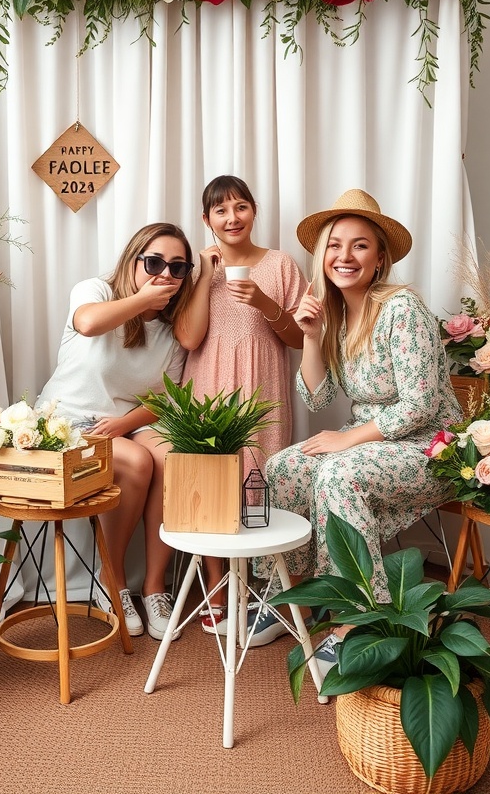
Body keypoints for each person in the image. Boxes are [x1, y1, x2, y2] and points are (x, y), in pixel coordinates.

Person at [253, 188, 461, 656]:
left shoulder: (401, 309)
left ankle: (358, 620)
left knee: (338, 472)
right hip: (373, 444)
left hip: (432, 447)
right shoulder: (337, 315)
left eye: (360, 245)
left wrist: (348, 438)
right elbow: (317, 395)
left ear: (380, 259)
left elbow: (421, 406)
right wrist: (310, 337)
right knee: (283, 468)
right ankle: (293, 600)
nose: (344, 256)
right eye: (335, 244)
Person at [35, 223, 194, 641]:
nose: (165, 275)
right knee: (137, 461)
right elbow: (88, 325)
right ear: (133, 260)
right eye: (155, 262)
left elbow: (167, 398)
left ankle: (155, 586)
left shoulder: (172, 331)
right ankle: (114, 580)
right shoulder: (96, 292)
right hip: (67, 421)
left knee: (171, 456)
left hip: (124, 424)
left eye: (177, 268)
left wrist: (124, 424)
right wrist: (140, 300)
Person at [176, 175, 306, 635]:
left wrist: (266, 301)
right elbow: (189, 338)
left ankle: (268, 592)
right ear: (206, 219)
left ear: (254, 211)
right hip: (207, 388)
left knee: (260, 481)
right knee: (211, 486)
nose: (232, 218)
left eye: (240, 207)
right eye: (220, 210)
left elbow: (299, 338)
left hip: (263, 389)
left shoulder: (281, 265)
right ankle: (219, 590)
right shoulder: (194, 270)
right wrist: (205, 277)